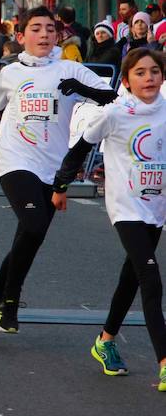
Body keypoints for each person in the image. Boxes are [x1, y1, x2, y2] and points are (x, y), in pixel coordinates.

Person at [0, 6, 119, 337]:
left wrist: (83, 90)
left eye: (50, 28)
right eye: (36, 28)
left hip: (53, 168)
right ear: (20, 37)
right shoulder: (11, 73)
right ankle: (11, 301)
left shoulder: (69, 68)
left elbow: (112, 97)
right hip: (16, 160)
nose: (44, 34)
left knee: (30, 236)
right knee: (32, 225)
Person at [51, 48, 166, 392]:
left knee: (131, 278)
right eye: (141, 72)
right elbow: (79, 148)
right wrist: (61, 186)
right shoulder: (116, 113)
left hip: (156, 207)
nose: (149, 78)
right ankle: (164, 362)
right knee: (151, 278)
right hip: (126, 207)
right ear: (127, 80)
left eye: (155, 71)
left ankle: (105, 340)